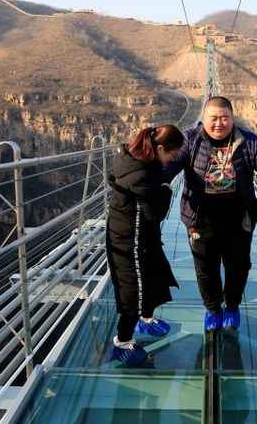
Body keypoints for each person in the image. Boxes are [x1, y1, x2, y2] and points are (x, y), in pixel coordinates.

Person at [163, 96, 257, 331]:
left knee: (238, 265)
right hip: (200, 217)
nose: (219, 123)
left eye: (225, 118)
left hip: (239, 216)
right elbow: (171, 164)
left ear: (232, 118)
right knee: (205, 267)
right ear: (203, 119)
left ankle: (232, 306)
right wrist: (157, 182)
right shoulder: (190, 139)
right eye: (214, 118)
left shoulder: (247, 140)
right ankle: (212, 308)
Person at [106, 124, 184, 365]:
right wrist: (167, 190)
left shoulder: (134, 159)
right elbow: (155, 212)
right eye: (171, 155)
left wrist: (159, 187)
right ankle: (122, 341)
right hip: (129, 241)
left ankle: (146, 318)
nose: (172, 160)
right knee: (133, 290)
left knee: (156, 273)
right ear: (160, 148)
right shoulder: (142, 174)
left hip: (140, 236)